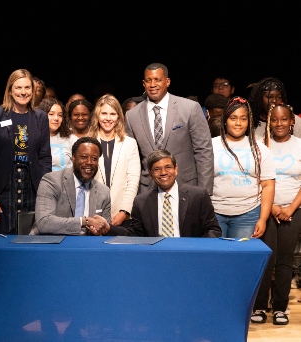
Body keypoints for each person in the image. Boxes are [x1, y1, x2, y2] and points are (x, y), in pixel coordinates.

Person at [0, 69, 52, 234]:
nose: (23, 92)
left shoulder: (40, 117)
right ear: (10, 90)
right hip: (2, 190)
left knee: (30, 241)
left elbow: (45, 157)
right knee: (1, 241)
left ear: (32, 91)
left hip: (32, 188)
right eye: (18, 87)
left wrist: (45, 190)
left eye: (27, 88)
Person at [125, 63, 214, 194]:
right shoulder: (131, 116)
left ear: (167, 81)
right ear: (143, 83)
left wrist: (205, 192)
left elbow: (204, 152)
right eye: (148, 80)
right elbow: (131, 158)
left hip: (186, 186)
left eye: (157, 80)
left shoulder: (189, 108)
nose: (153, 84)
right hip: (148, 190)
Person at [251, 103, 301, 325]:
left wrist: (289, 208)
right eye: (274, 120)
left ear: (292, 121)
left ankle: (280, 307)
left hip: (294, 209)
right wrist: (271, 207)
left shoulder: (300, 145)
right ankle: (260, 305)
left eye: (284, 119)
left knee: (285, 260)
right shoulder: (262, 146)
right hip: (266, 209)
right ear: (269, 122)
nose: (279, 124)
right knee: (266, 258)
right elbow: (256, 180)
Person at [110, 150, 221, 237]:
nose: (163, 173)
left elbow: (212, 230)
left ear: (176, 169)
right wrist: (109, 228)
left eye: (168, 167)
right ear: (150, 174)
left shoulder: (198, 196)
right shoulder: (141, 202)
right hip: (157, 257)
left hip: (189, 255)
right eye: (157, 169)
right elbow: (135, 235)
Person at [211, 96, 275, 239]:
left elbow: (268, 185)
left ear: (249, 121)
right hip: (214, 212)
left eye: (243, 118)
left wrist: (263, 219)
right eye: (233, 118)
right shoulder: (210, 146)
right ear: (225, 120)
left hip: (248, 213)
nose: (238, 123)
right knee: (215, 258)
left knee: (241, 258)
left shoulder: (260, 149)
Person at [30, 137, 111, 236]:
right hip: (51, 244)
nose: (89, 162)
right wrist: (84, 221)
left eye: (94, 159)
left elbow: (105, 230)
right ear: (73, 157)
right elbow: (44, 223)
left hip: (86, 247)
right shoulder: (51, 181)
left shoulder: (104, 192)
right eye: (84, 157)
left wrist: (101, 230)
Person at [87, 95, 140, 227]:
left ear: (118, 117)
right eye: (104, 113)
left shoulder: (130, 143)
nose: (108, 118)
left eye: (113, 114)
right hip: (92, 215)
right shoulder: (86, 143)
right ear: (97, 115)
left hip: (122, 216)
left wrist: (124, 212)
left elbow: (133, 181)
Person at [38, 98, 72, 171]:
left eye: (60, 115)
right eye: (51, 114)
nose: (56, 118)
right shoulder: (34, 138)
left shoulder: (70, 138)